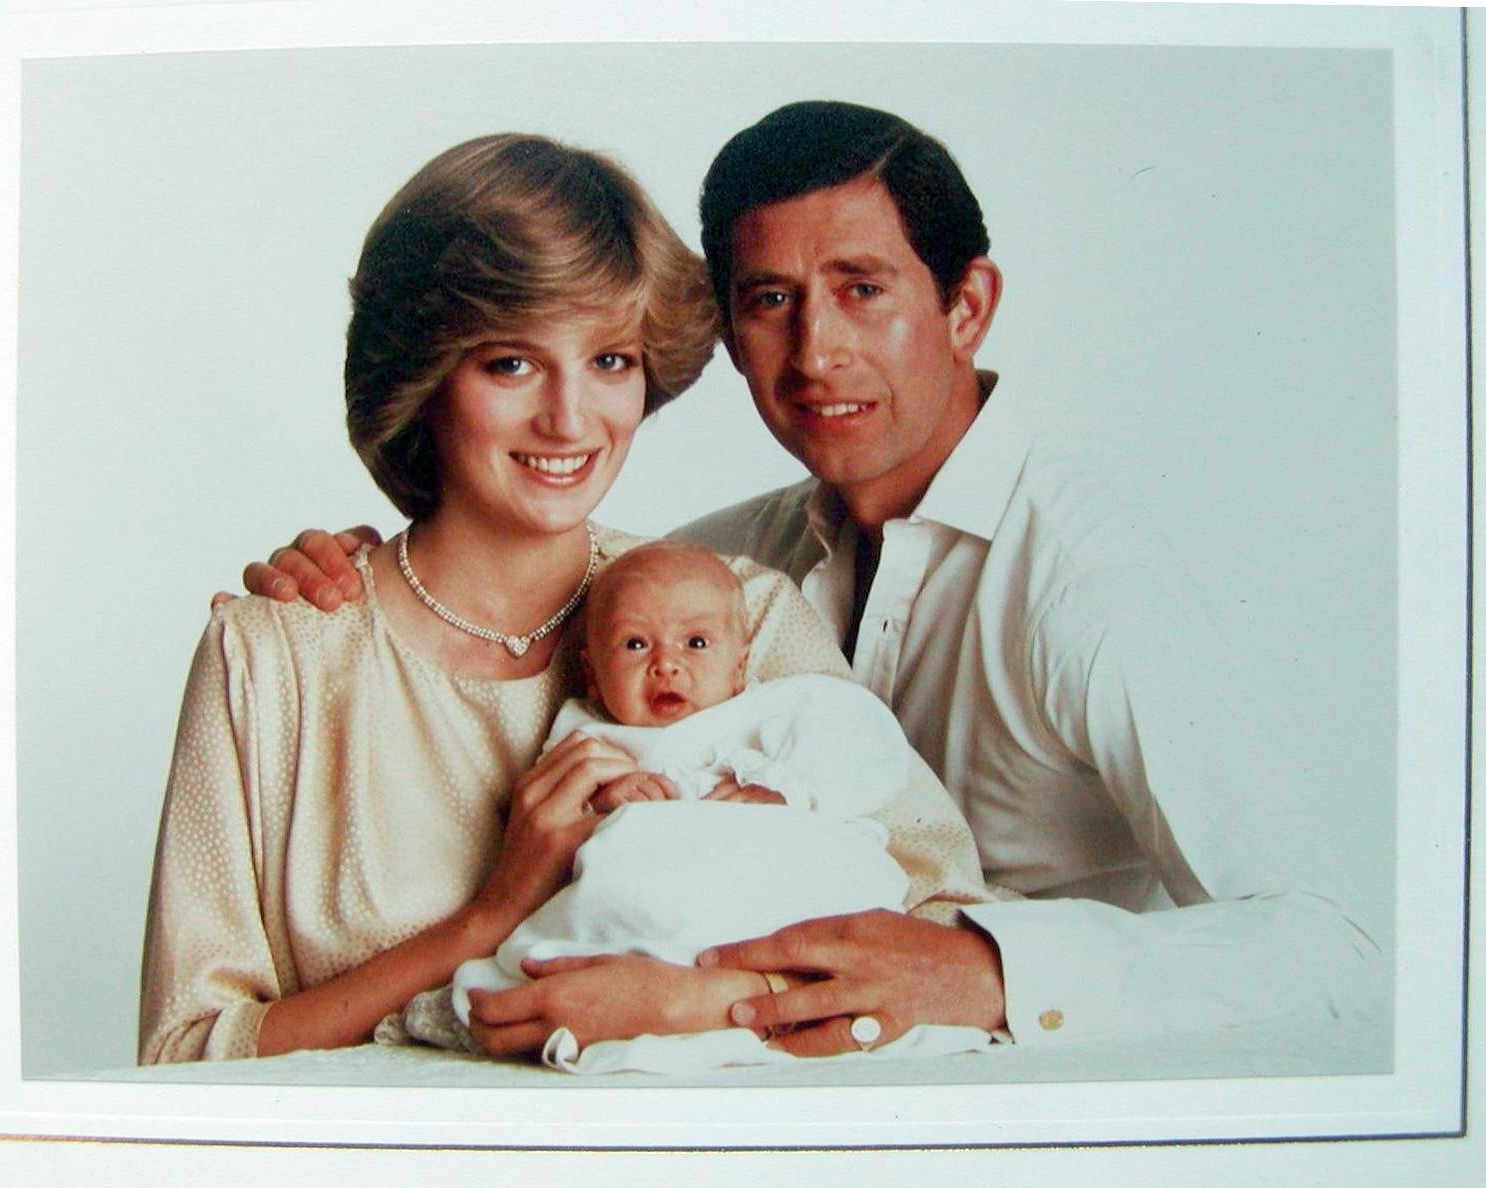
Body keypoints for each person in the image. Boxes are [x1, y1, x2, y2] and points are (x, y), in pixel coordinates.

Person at [246, 101, 1381, 1057]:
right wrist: (354, 570)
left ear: (966, 305)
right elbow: (536, 581)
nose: (814, 351)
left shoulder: (1084, 581)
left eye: (862, 288)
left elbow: (1337, 946)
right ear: (727, 335)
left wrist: (984, 969)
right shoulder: (728, 570)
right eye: (769, 299)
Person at [140, 130, 990, 1064]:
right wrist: (488, 919)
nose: (570, 419)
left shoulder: (736, 610)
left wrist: (697, 1004)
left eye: (610, 362)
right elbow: (187, 1053)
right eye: (510, 363)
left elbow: (938, 935)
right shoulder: (277, 656)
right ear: (423, 376)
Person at [379, 541, 994, 1072]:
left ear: (740, 661)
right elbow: (565, 806)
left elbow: (869, 752)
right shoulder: (591, 733)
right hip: (652, 902)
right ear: (592, 675)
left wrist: (788, 789)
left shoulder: (778, 709)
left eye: (696, 642)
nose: (666, 664)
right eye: (635, 644)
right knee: (609, 902)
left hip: (772, 880)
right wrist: (610, 795)